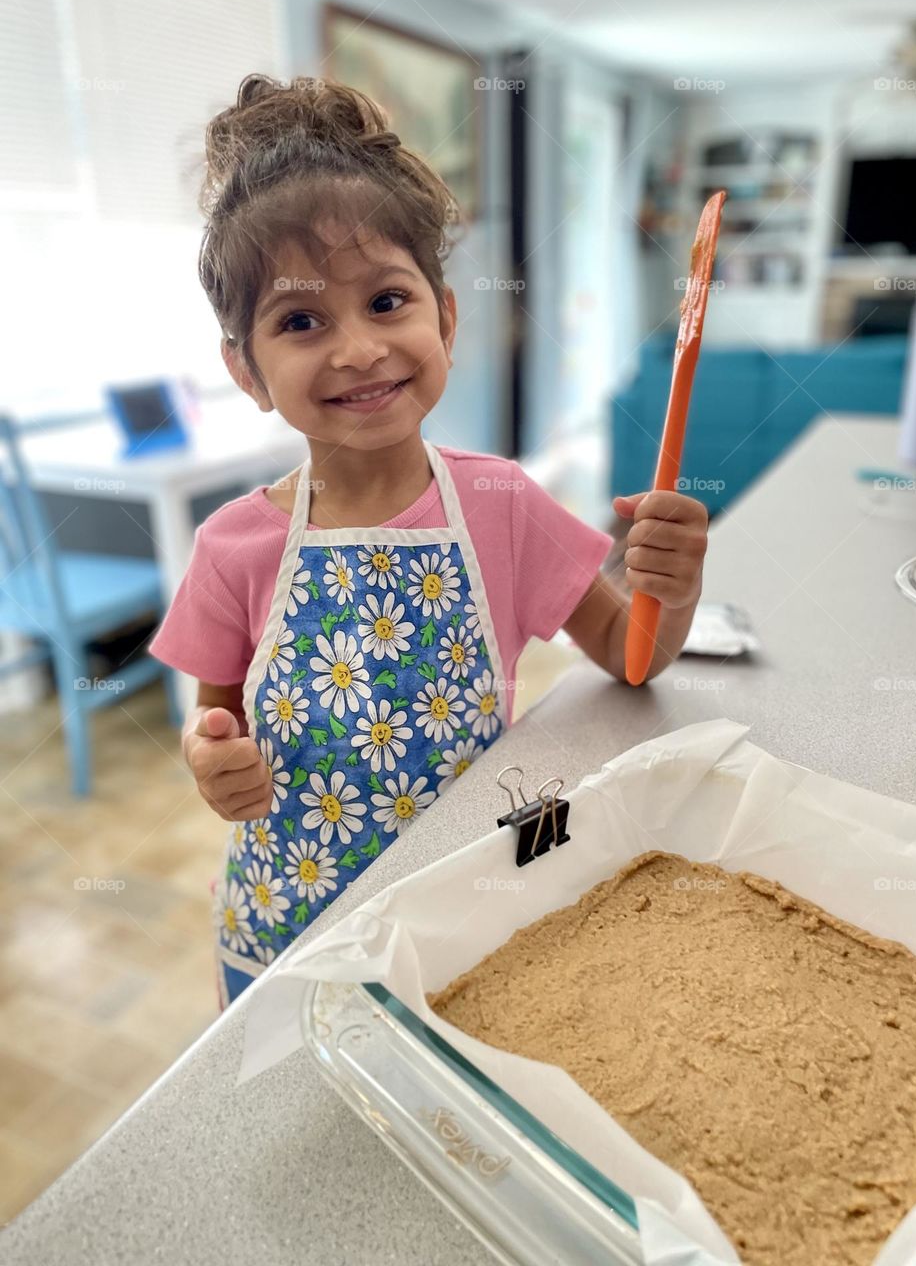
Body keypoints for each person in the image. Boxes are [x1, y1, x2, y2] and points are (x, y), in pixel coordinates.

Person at [148, 73, 709, 1006]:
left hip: (460, 899)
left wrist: (672, 591)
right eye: (299, 321)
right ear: (247, 369)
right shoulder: (233, 545)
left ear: (444, 316)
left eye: (385, 302)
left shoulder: (502, 503)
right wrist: (214, 762)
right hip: (288, 920)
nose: (359, 348)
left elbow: (632, 657)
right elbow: (218, 724)